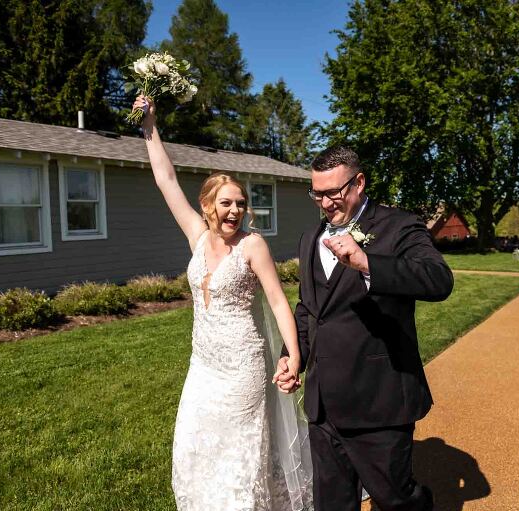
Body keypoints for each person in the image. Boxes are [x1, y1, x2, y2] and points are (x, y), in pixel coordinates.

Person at [133, 96, 313, 511]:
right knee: (195, 446)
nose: (235, 210)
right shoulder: (197, 237)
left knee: (239, 458)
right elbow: (166, 180)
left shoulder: (252, 245)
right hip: (203, 366)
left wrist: (294, 355)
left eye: (240, 203)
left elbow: (279, 303)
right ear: (208, 205)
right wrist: (150, 126)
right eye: (226, 202)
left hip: (243, 369)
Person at [274, 146, 454, 511]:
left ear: (358, 182)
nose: (324, 203)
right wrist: (293, 357)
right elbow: (310, 309)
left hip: (379, 399)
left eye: (333, 192)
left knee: (396, 499)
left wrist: (368, 263)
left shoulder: (399, 225)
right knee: (332, 503)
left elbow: (439, 279)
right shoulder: (310, 238)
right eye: (317, 193)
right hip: (323, 404)